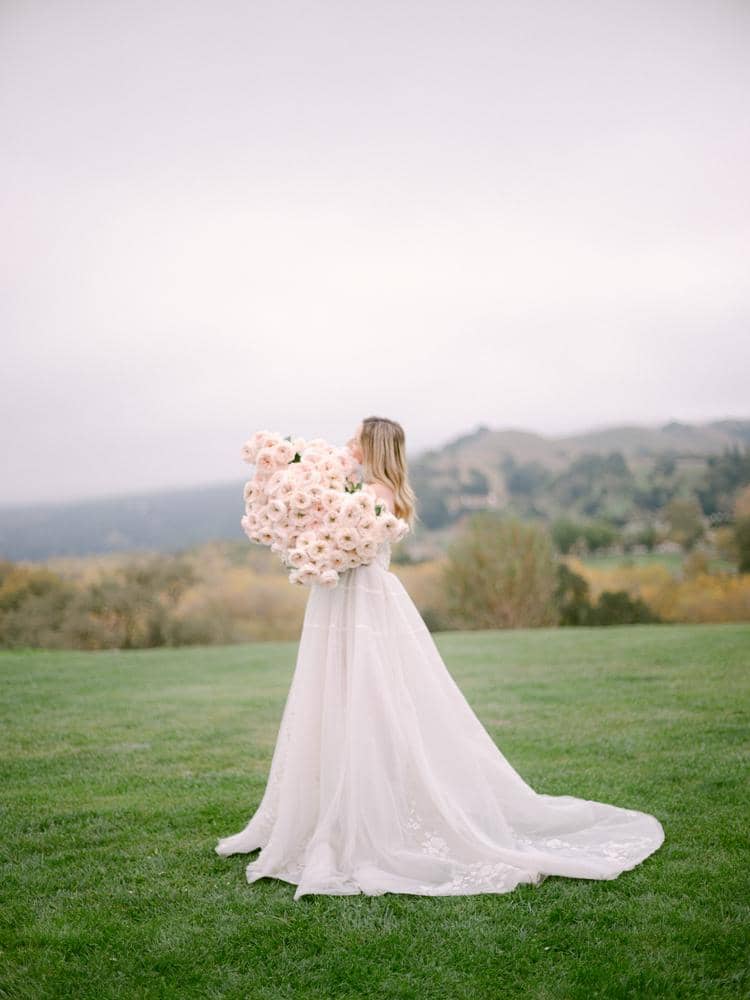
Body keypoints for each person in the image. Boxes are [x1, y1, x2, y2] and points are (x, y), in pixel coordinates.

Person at [215, 416, 665, 899]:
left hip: (363, 604)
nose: (347, 443)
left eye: (356, 439)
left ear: (374, 446)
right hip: (338, 603)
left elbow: (352, 549)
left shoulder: (381, 495)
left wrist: (322, 535)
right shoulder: (352, 486)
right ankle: (333, 807)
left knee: (375, 702)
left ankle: (372, 817)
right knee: (334, 698)